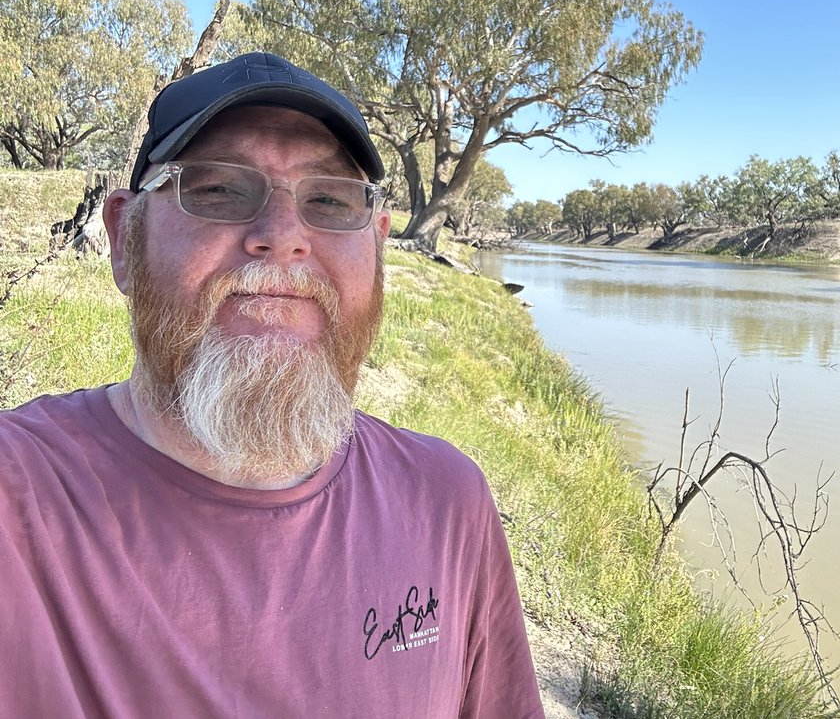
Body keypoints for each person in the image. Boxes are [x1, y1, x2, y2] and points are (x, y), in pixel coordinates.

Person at [0, 52, 545, 718]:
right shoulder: (20, 501)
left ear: (376, 247)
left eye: (328, 200)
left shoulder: (448, 500)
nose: (283, 238)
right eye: (219, 191)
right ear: (123, 240)